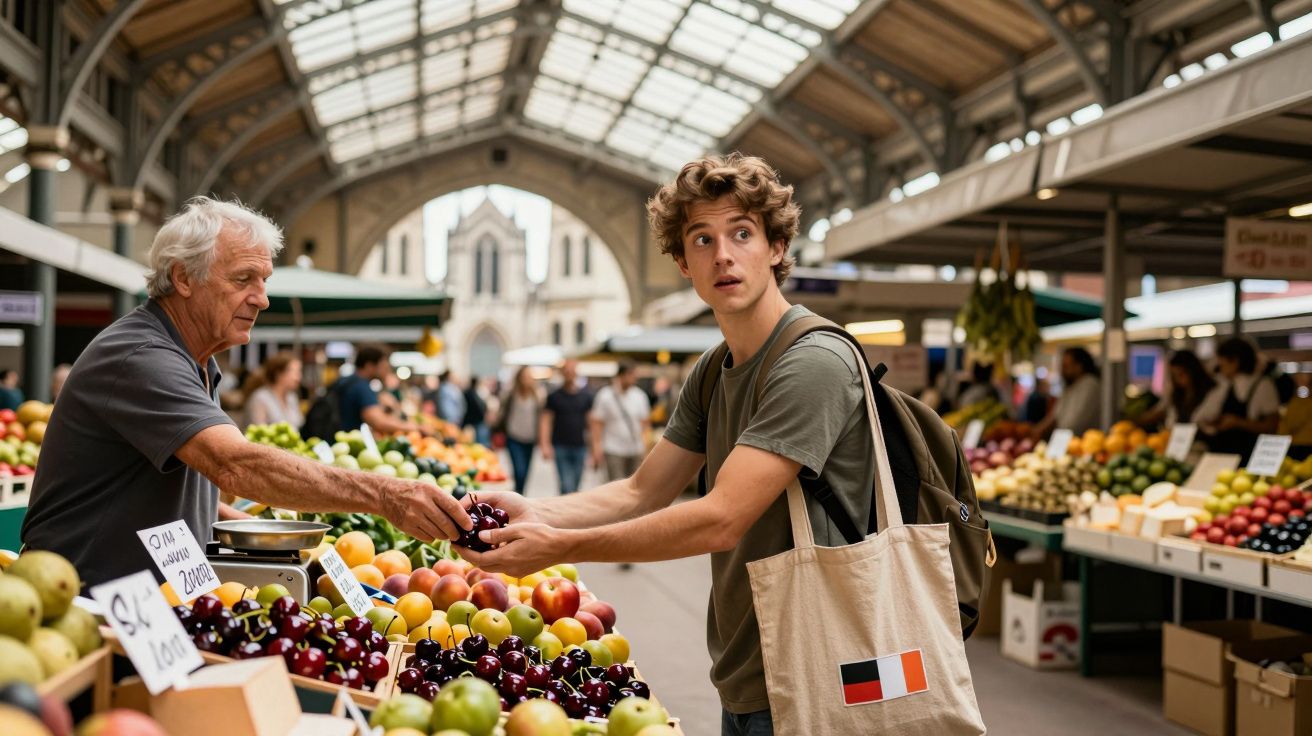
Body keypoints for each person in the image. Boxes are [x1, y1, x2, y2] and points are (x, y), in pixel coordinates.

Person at [454, 154, 883, 734]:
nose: (722, 255)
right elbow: (642, 490)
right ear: (683, 262)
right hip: (747, 667)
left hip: (821, 672)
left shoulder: (814, 362)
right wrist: (535, 511)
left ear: (777, 248)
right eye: (702, 239)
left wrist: (560, 546)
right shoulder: (714, 369)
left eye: (742, 233)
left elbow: (720, 518)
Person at [21, 197, 468, 587]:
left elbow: (168, 483)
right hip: (83, 599)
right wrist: (386, 495)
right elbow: (233, 465)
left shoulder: (196, 360)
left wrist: (247, 526)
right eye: (243, 279)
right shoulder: (141, 356)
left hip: (152, 600)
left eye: (264, 280)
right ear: (183, 278)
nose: (262, 298)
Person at [1197, 337, 1280, 462]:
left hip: (1249, 456)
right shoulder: (1224, 385)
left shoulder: (1262, 385)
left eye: (1222, 364)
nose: (1220, 368)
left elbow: (1272, 426)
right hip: (1222, 455)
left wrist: (1237, 422)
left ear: (1235, 362)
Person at [331, 344, 423, 436]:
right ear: (369, 366)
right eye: (383, 366)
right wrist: (416, 427)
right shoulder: (361, 387)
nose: (387, 370)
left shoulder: (348, 381)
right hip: (348, 440)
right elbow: (379, 422)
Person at [590, 359, 651, 482]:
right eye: (631, 374)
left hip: (635, 449)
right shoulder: (605, 396)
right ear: (621, 375)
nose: (634, 378)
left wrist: (646, 448)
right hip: (613, 449)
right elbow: (597, 423)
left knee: (635, 484)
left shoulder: (640, 396)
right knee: (616, 483)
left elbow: (645, 424)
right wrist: (596, 447)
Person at [541, 359, 593, 494]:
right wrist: (545, 444)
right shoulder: (554, 397)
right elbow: (546, 421)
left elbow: (591, 424)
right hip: (560, 446)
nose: (569, 373)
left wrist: (594, 448)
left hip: (580, 446)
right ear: (562, 373)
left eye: (572, 370)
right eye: (566, 370)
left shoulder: (585, 396)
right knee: (566, 485)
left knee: (576, 485)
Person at [1032, 348, 1102, 438]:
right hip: (1068, 440)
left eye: (1066, 366)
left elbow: (1073, 424)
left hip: (1083, 441)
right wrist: (1035, 431)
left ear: (1079, 366)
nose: (1062, 371)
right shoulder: (1070, 386)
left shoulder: (1090, 384)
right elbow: (1055, 416)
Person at [1139, 350, 1215, 429]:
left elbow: (1206, 420)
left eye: (1181, 374)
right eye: (1174, 376)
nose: (1178, 380)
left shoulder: (1211, 392)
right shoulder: (1177, 395)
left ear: (1192, 371)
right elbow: (1161, 411)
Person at [499, 366, 543, 493]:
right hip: (514, 437)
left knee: (526, 471)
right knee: (519, 470)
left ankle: (520, 493)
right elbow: (502, 412)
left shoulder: (538, 395)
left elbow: (541, 417)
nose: (527, 379)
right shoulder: (511, 394)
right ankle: (518, 492)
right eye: (524, 376)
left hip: (530, 438)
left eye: (529, 377)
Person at [243, 352, 304, 428]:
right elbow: (258, 430)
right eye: (295, 373)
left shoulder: (292, 397)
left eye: (299, 372)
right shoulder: (260, 398)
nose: (299, 377)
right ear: (279, 374)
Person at [463, 376, 490, 446]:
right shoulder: (472, 393)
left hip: (473, 419)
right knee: (479, 440)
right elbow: (478, 406)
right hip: (475, 420)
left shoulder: (471, 392)